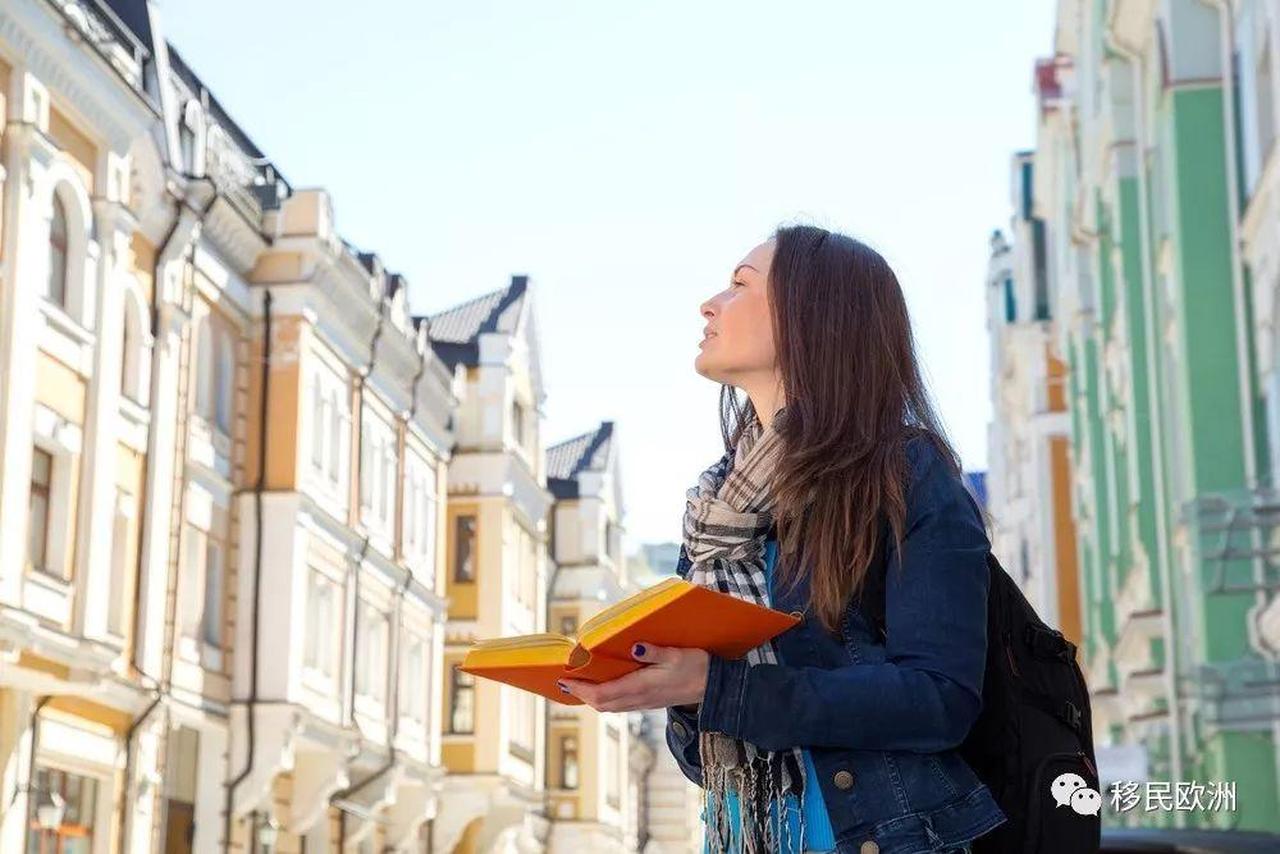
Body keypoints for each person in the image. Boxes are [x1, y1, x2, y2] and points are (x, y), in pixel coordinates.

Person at [558, 224, 1006, 854]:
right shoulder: (718, 511)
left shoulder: (905, 473)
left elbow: (939, 699)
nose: (709, 304)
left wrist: (712, 686)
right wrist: (671, 688)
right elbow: (702, 765)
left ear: (811, 316)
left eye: (740, 285)